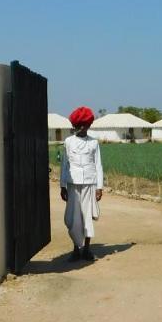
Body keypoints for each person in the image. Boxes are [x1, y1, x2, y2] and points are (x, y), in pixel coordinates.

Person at [60, 106, 104, 261]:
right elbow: (65, 165)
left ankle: (86, 249)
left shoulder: (94, 143)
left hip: (89, 184)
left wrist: (99, 187)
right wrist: (62, 185)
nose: (78, 129)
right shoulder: (68, 142)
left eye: (82, 126)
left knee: (87, 216)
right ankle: (75, 249)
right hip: (72, 184)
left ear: (88, 126)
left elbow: (98, 165)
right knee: (73, 217)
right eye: (76, 126)